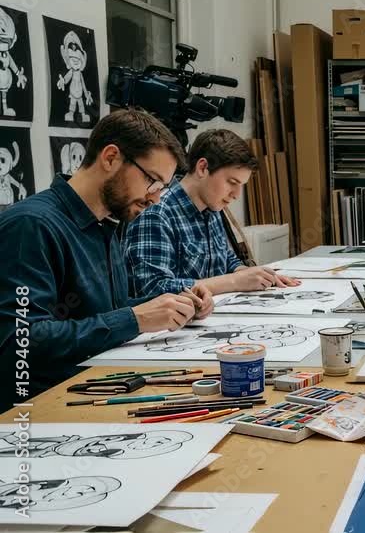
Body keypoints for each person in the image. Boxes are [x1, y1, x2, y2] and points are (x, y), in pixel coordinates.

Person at [0, 110, 212, 410]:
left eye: (162, 188)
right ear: (111, 158)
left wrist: (172, 304)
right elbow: (21, 343)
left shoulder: (106, 223)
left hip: (95, 391)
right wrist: (136, 319)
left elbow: (99, 311)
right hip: (38, 413)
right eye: (152, 182)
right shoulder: (30, 226)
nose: (155, 198)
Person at [124, 129, 300, 297]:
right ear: (202, 168)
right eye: (232, 182)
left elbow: (226, 260)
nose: (237, 195)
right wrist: (234, 281)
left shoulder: (212, 207)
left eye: (241, 186)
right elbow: (152, 288)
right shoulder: (156, 214)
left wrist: (255, 275)